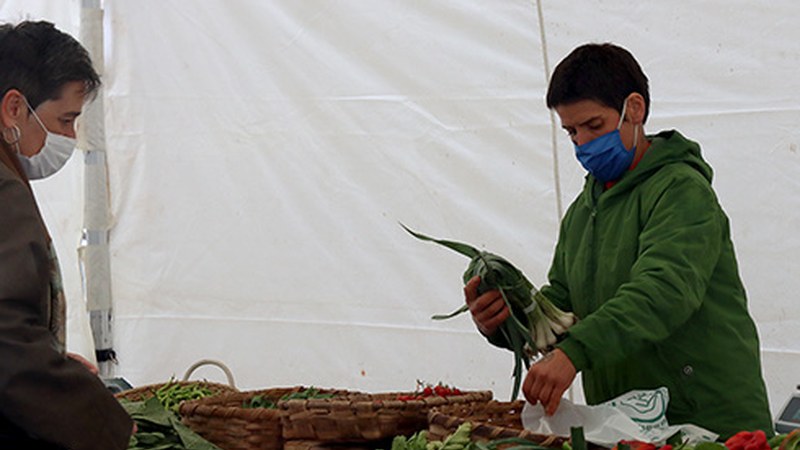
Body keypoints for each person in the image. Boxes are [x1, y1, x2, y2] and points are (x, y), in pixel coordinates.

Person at [465, 43, 773, 439]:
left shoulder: (681, 190)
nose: (582, 144)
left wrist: (574, 353)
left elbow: (663, 291)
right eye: (571, 131)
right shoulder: (584, 210)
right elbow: (562, 303)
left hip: (708, 422)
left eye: (594, 126)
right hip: (627, 427)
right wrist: (510, 319)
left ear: (635, 109)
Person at [0, 20, 133, 449]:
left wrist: (50, 357)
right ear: (13, 108)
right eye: (66, 119)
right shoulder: (3, 192)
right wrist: (101, 422)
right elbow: (6, 341)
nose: (70, 137)